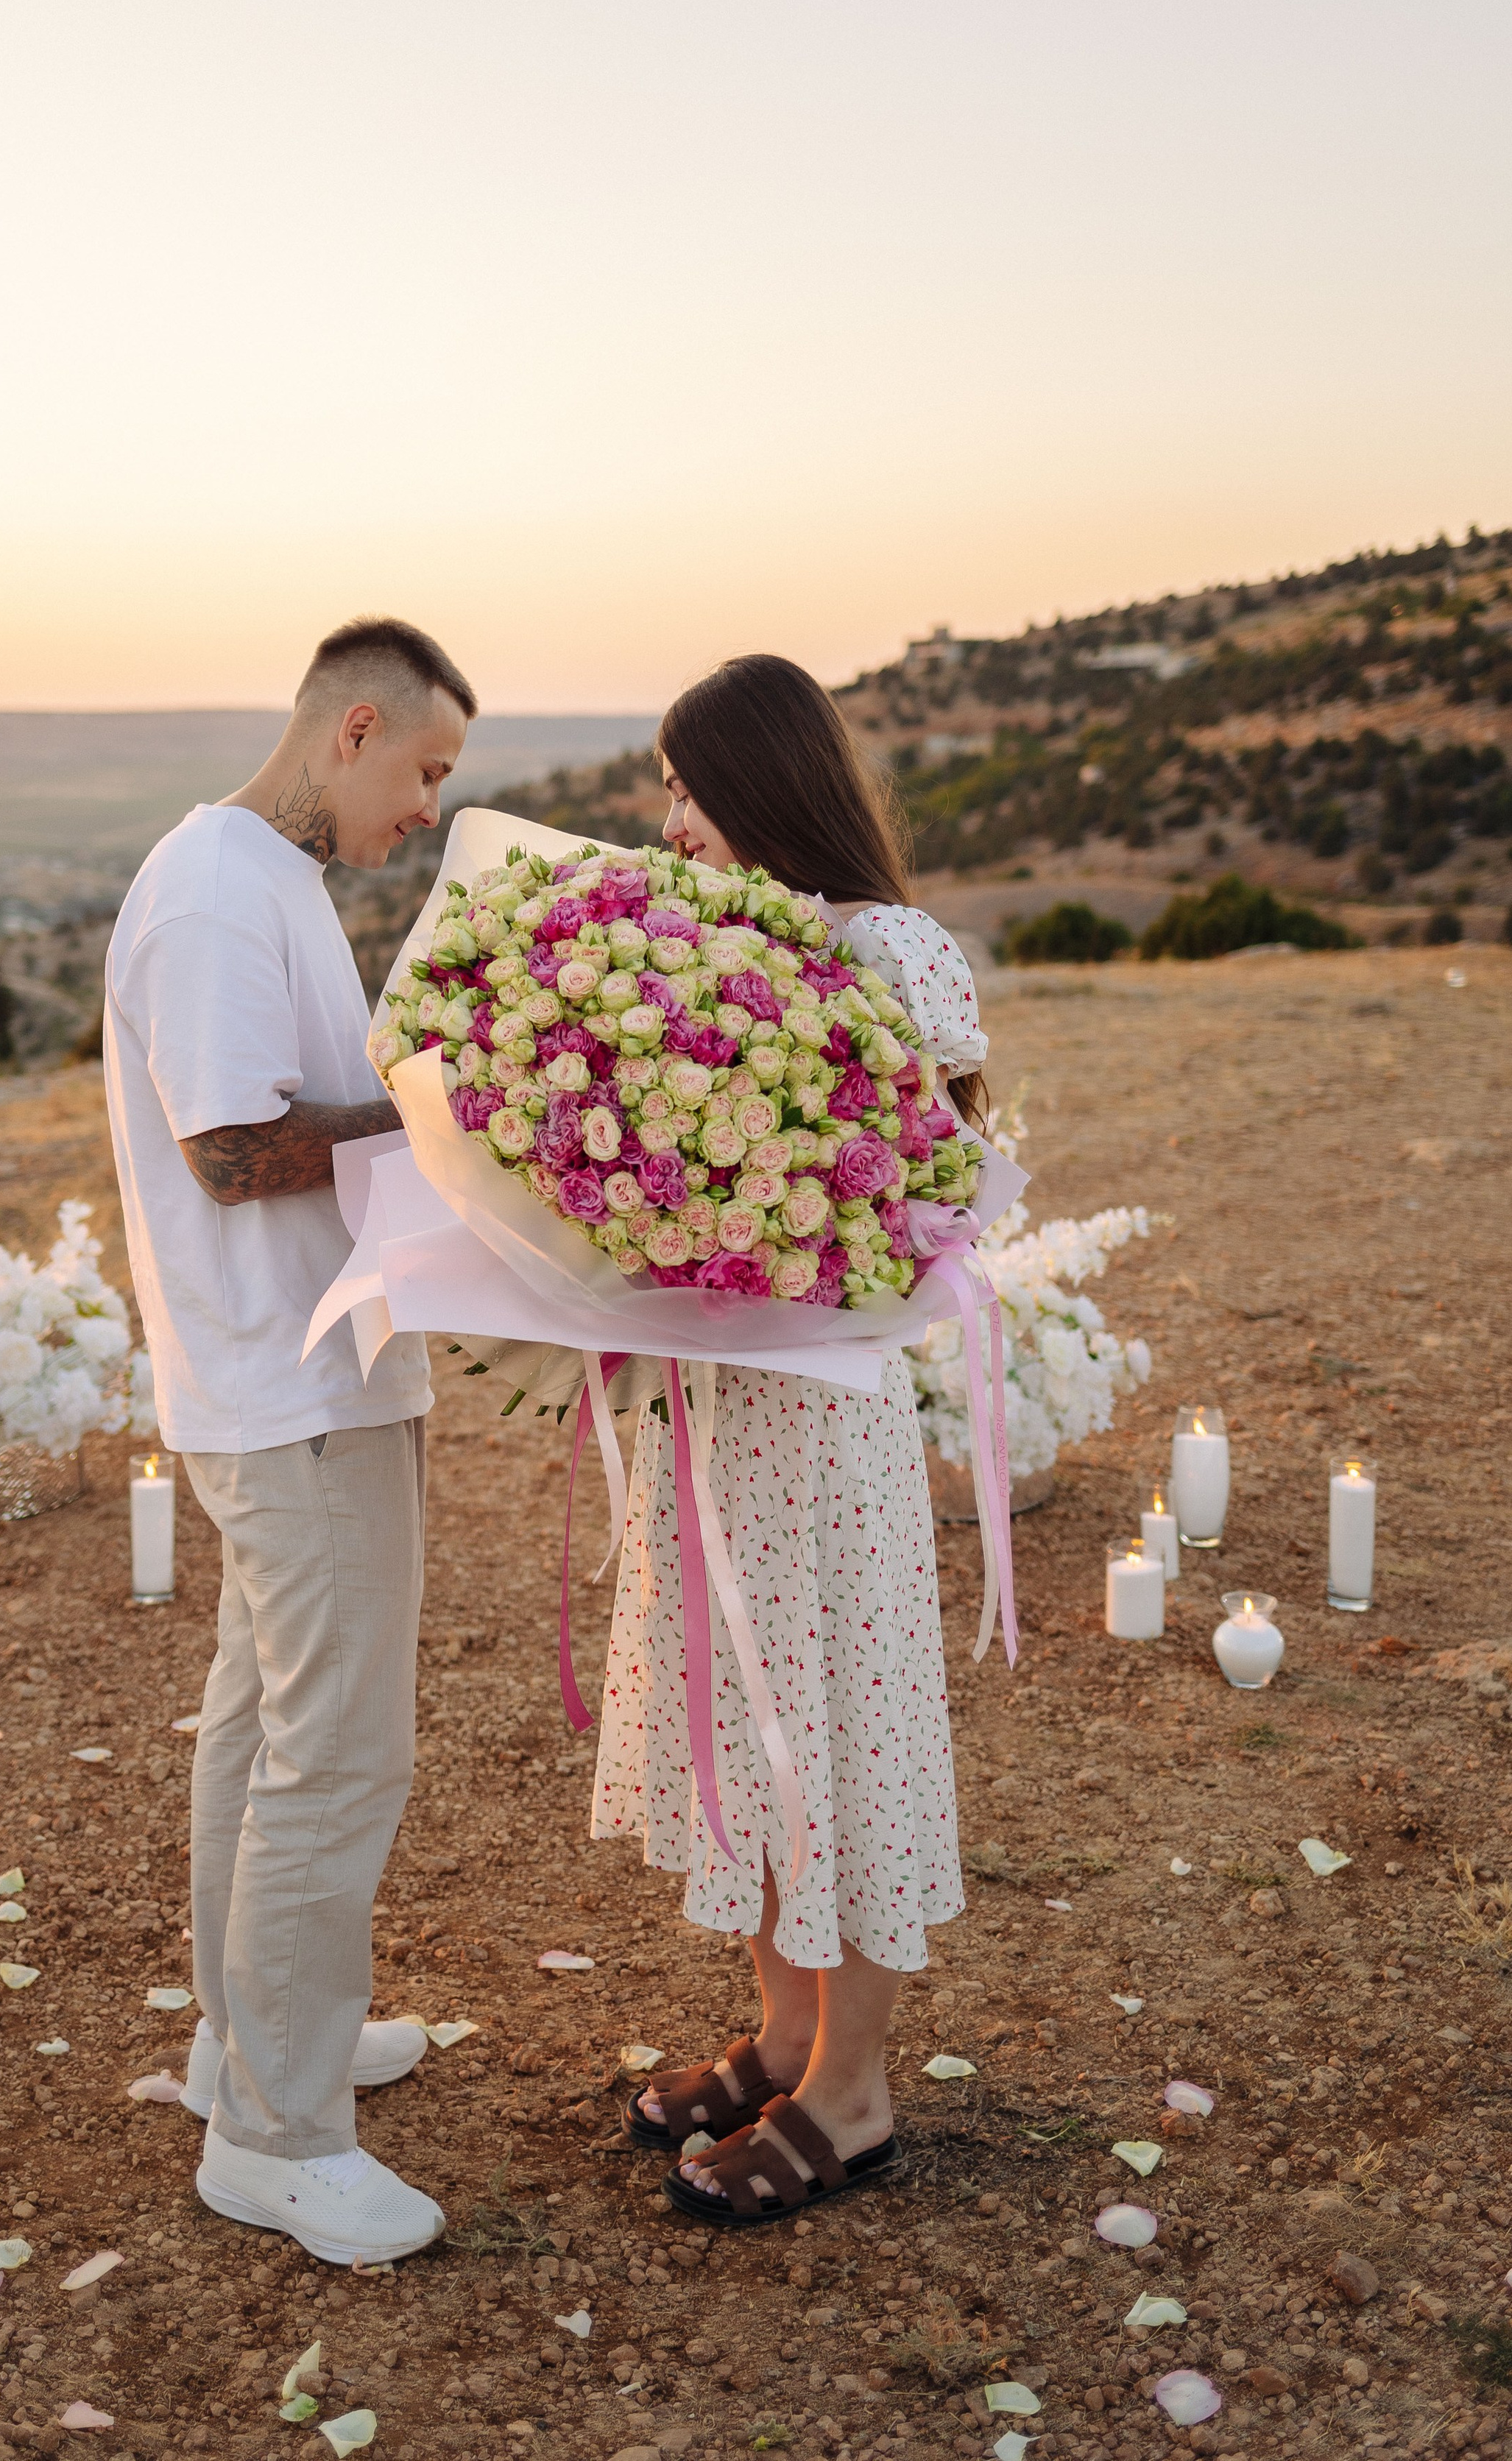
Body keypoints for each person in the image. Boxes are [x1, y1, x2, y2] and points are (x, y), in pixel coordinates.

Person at [593, 652, 988, 2224]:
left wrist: (763, 1221)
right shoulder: (684, 945)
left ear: (760, 784)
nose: (670, 818)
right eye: (665, 789)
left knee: (839, 1729)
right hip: (711, 1405)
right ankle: (781, 2031)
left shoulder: (888, 945)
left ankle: (856, 2090)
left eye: (688, 785)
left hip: (824, 1413)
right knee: (748, 1728)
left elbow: (935, 1179)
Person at [103, 614, 476, 2265]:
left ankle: (242, 2047)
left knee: (261, 1733)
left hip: (309, 1378)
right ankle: (275, 2134)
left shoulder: (273, 885)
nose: (428, 810)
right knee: (334, 1755)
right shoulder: (209, 894)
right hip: (290, 1393)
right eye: (426, 771)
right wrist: (461, 1102)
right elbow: (236, 1150)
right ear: (355, 729)